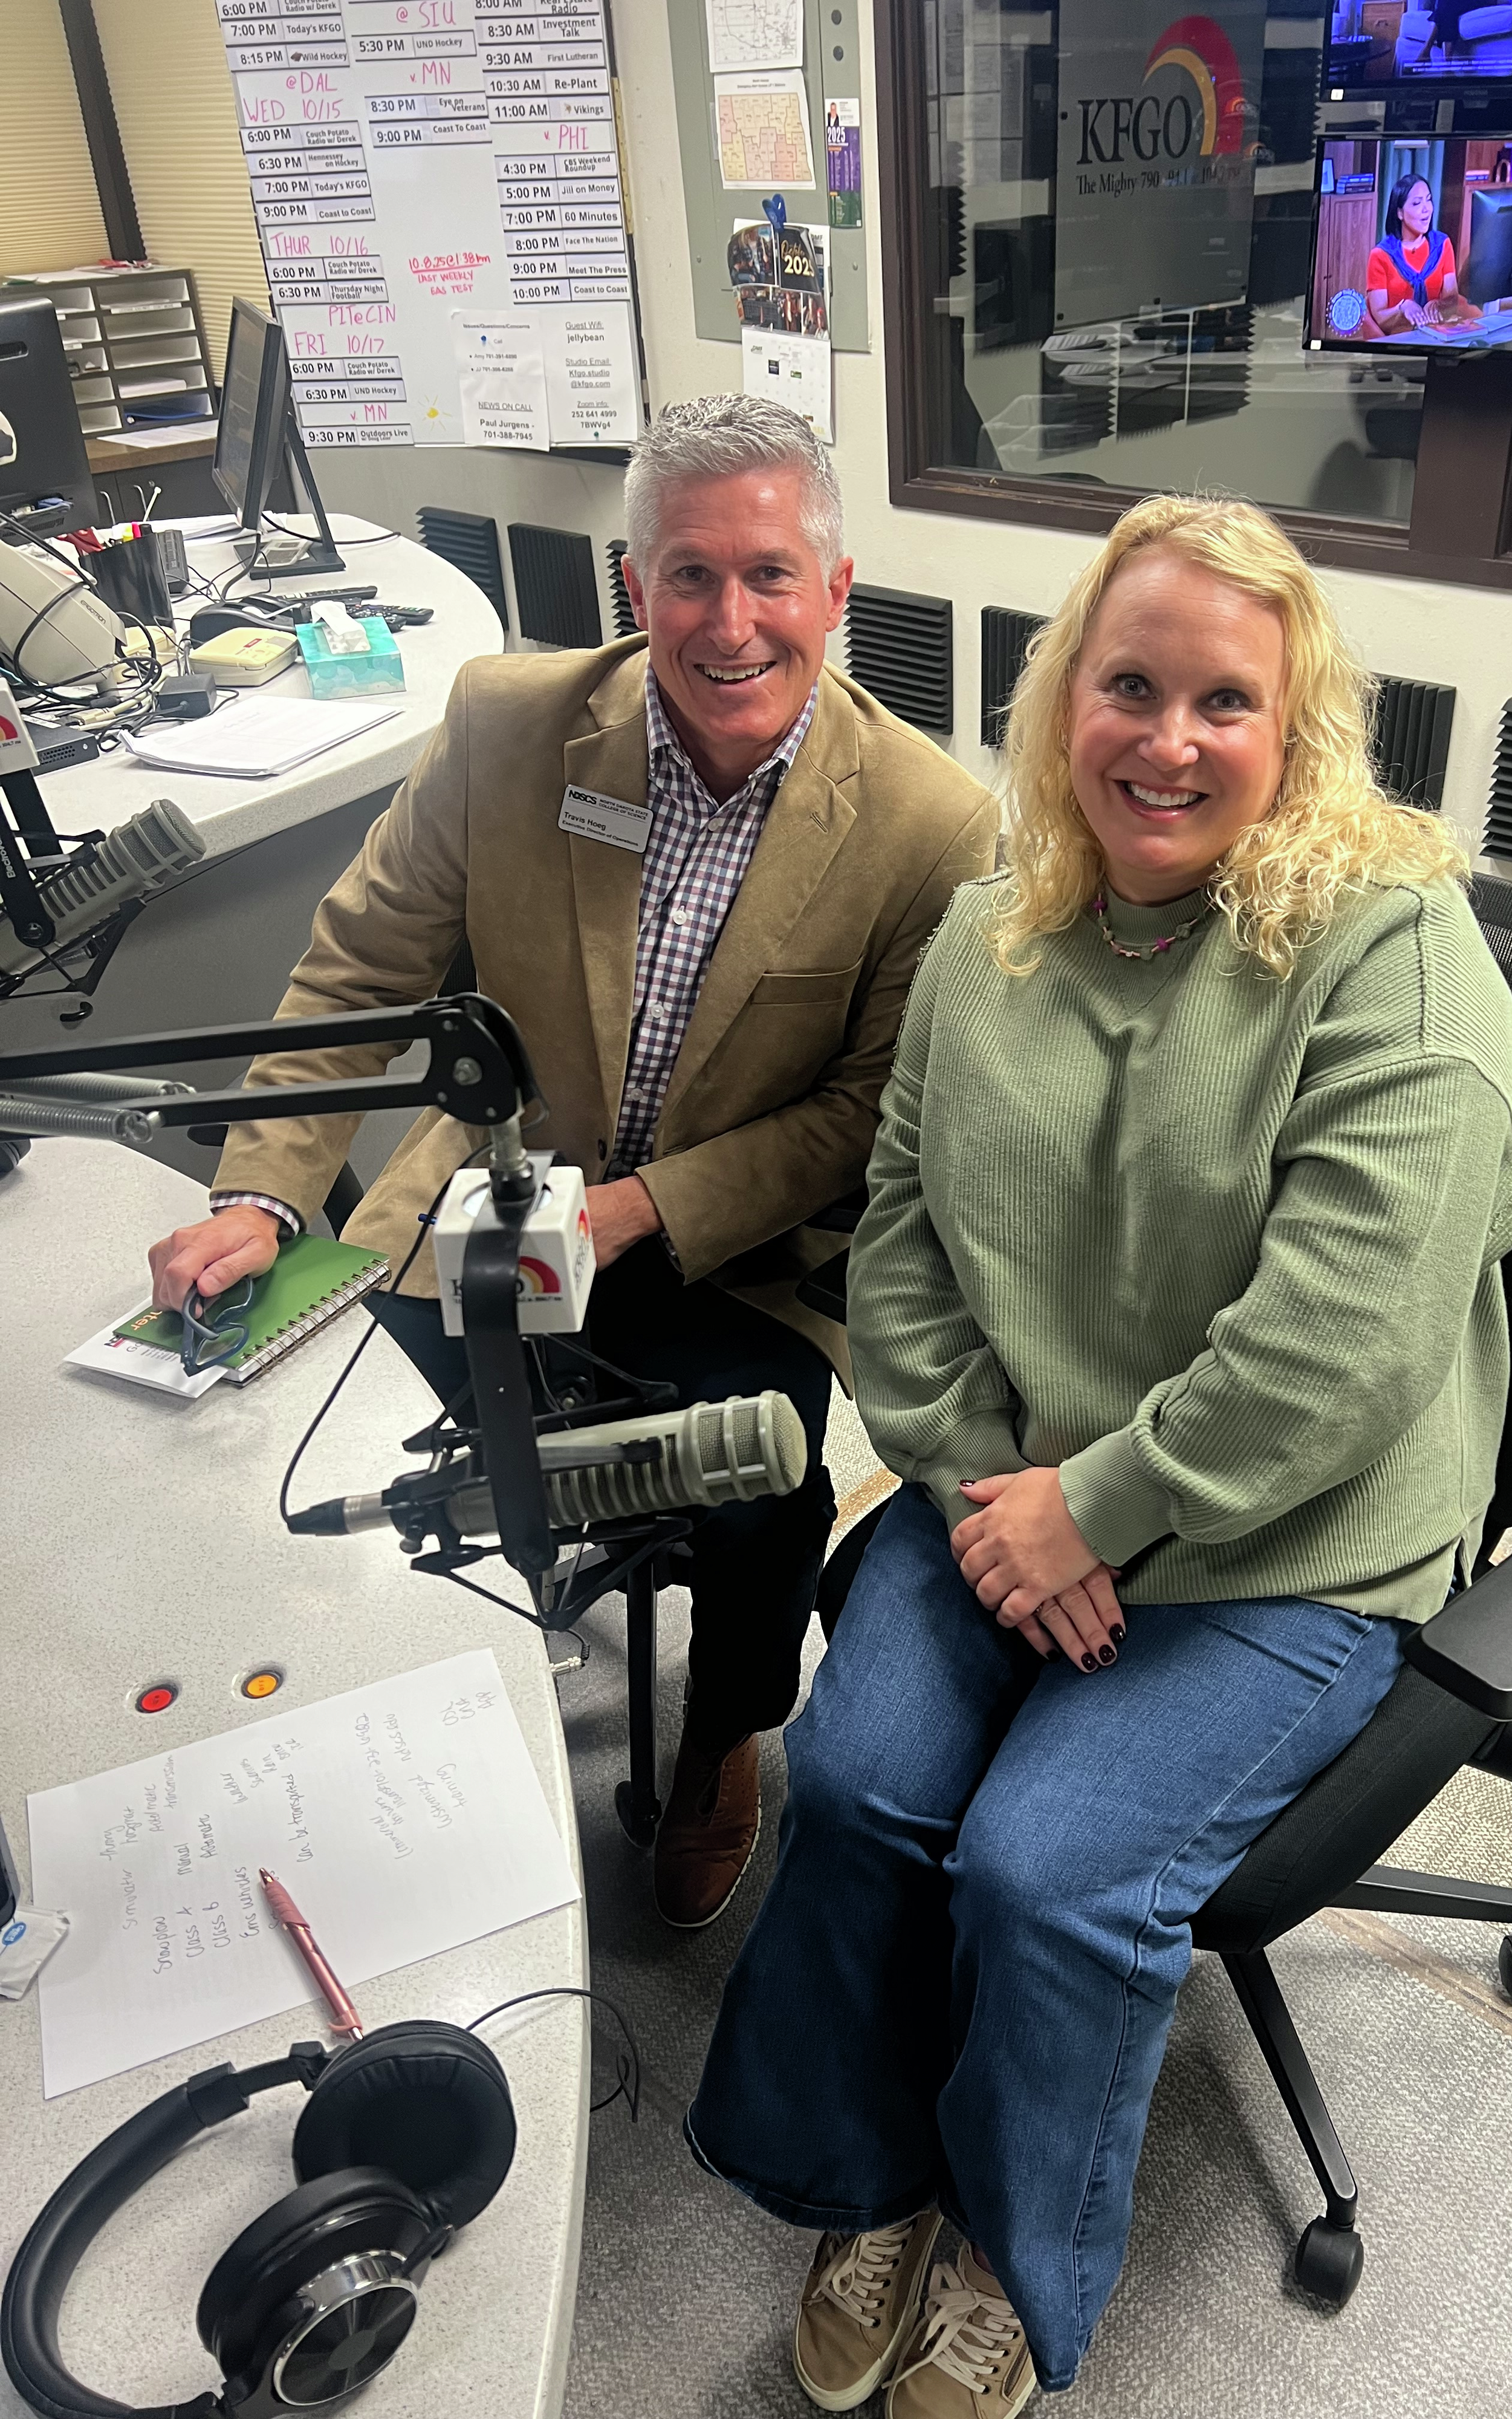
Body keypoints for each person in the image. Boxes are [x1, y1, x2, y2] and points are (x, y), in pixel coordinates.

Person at [686, 495, 1512, 2414]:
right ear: (1063, 697)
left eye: (1224, 701)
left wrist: (1103, 1502)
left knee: (1045, 1870)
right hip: (1011, 1491)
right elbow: (894, 1231)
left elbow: (1347, 1338)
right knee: (854, 1777)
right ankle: (863, 2175)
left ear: (1296, 725)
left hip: (1288, 1540)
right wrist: (1002, 1488)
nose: (1167, 737)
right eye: (1127, 683)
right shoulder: (996, 927)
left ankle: (1006, 2241)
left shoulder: (1387, 952)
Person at [144, 394, 998, 1929]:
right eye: (686, 575)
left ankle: (723, 1732)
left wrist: (639, 1210)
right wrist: (265, 1190)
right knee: (323, 1434)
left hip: (737, 1255)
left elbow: (871, 1112)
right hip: (484, 1205)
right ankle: (390, 1729)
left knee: (764, 1483)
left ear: (835, 591)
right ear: (632, 586)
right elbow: (361, 972)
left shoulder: (932, 826)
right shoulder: (508, 723)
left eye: (765, 578)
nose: (726, 624)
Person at [1365, 172, 1481, 336]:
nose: (1427, 209)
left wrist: (1438, 305)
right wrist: (1403, 308)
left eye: (1429, 200)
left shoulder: (1442, 244)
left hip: (1437, 333)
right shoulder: (1381, 255)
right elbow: (1379, 319)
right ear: (1400, 213)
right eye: (1417, 203)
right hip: (1399, 339)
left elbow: (1452, 300)